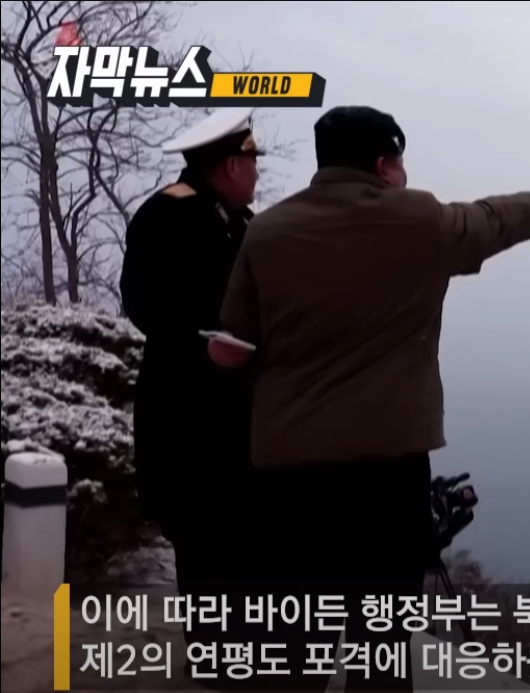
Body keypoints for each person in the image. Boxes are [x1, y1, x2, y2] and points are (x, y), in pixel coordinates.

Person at [211, 105, 530, 692]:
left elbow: (235, 338)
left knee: (296, 631)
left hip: (289, 469)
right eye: (400, 163)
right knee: (381, 637)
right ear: (384, 165)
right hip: (387, 469)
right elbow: (488, 219)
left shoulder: (267, 229)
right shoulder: (419, 220)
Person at [118, 107, 262, 687]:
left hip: (240, 409)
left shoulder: (243, 223)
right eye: (252, 163)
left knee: (241, 536)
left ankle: (242, 652)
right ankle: (214, 658)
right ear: (230, 166)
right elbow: (142, 303)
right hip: (185, 406)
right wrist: (202, 346)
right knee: (201, 535)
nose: (256, 173)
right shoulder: (167, 215)